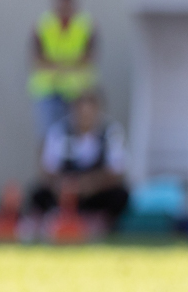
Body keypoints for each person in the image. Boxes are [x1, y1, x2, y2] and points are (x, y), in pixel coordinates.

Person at [30, 88, 130, 228]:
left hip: (96, 192)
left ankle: (101, 222)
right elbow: (48, 170)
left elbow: (117, 171)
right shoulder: (59, 132)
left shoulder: (110, 133)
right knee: (38, 194)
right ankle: (58, 218)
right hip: (65, 193)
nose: (84, 115)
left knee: (121, 196)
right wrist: (62, 185)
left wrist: (89, 184)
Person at [28, 0, 98, 144]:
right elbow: (36, 59)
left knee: (76, 137)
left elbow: (89, 58)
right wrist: (69, 64)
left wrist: (57, 64)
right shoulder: (43, 24)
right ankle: (46, 170)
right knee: (46, 136)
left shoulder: (86, 24)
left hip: (77, 91)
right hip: (48, 90)